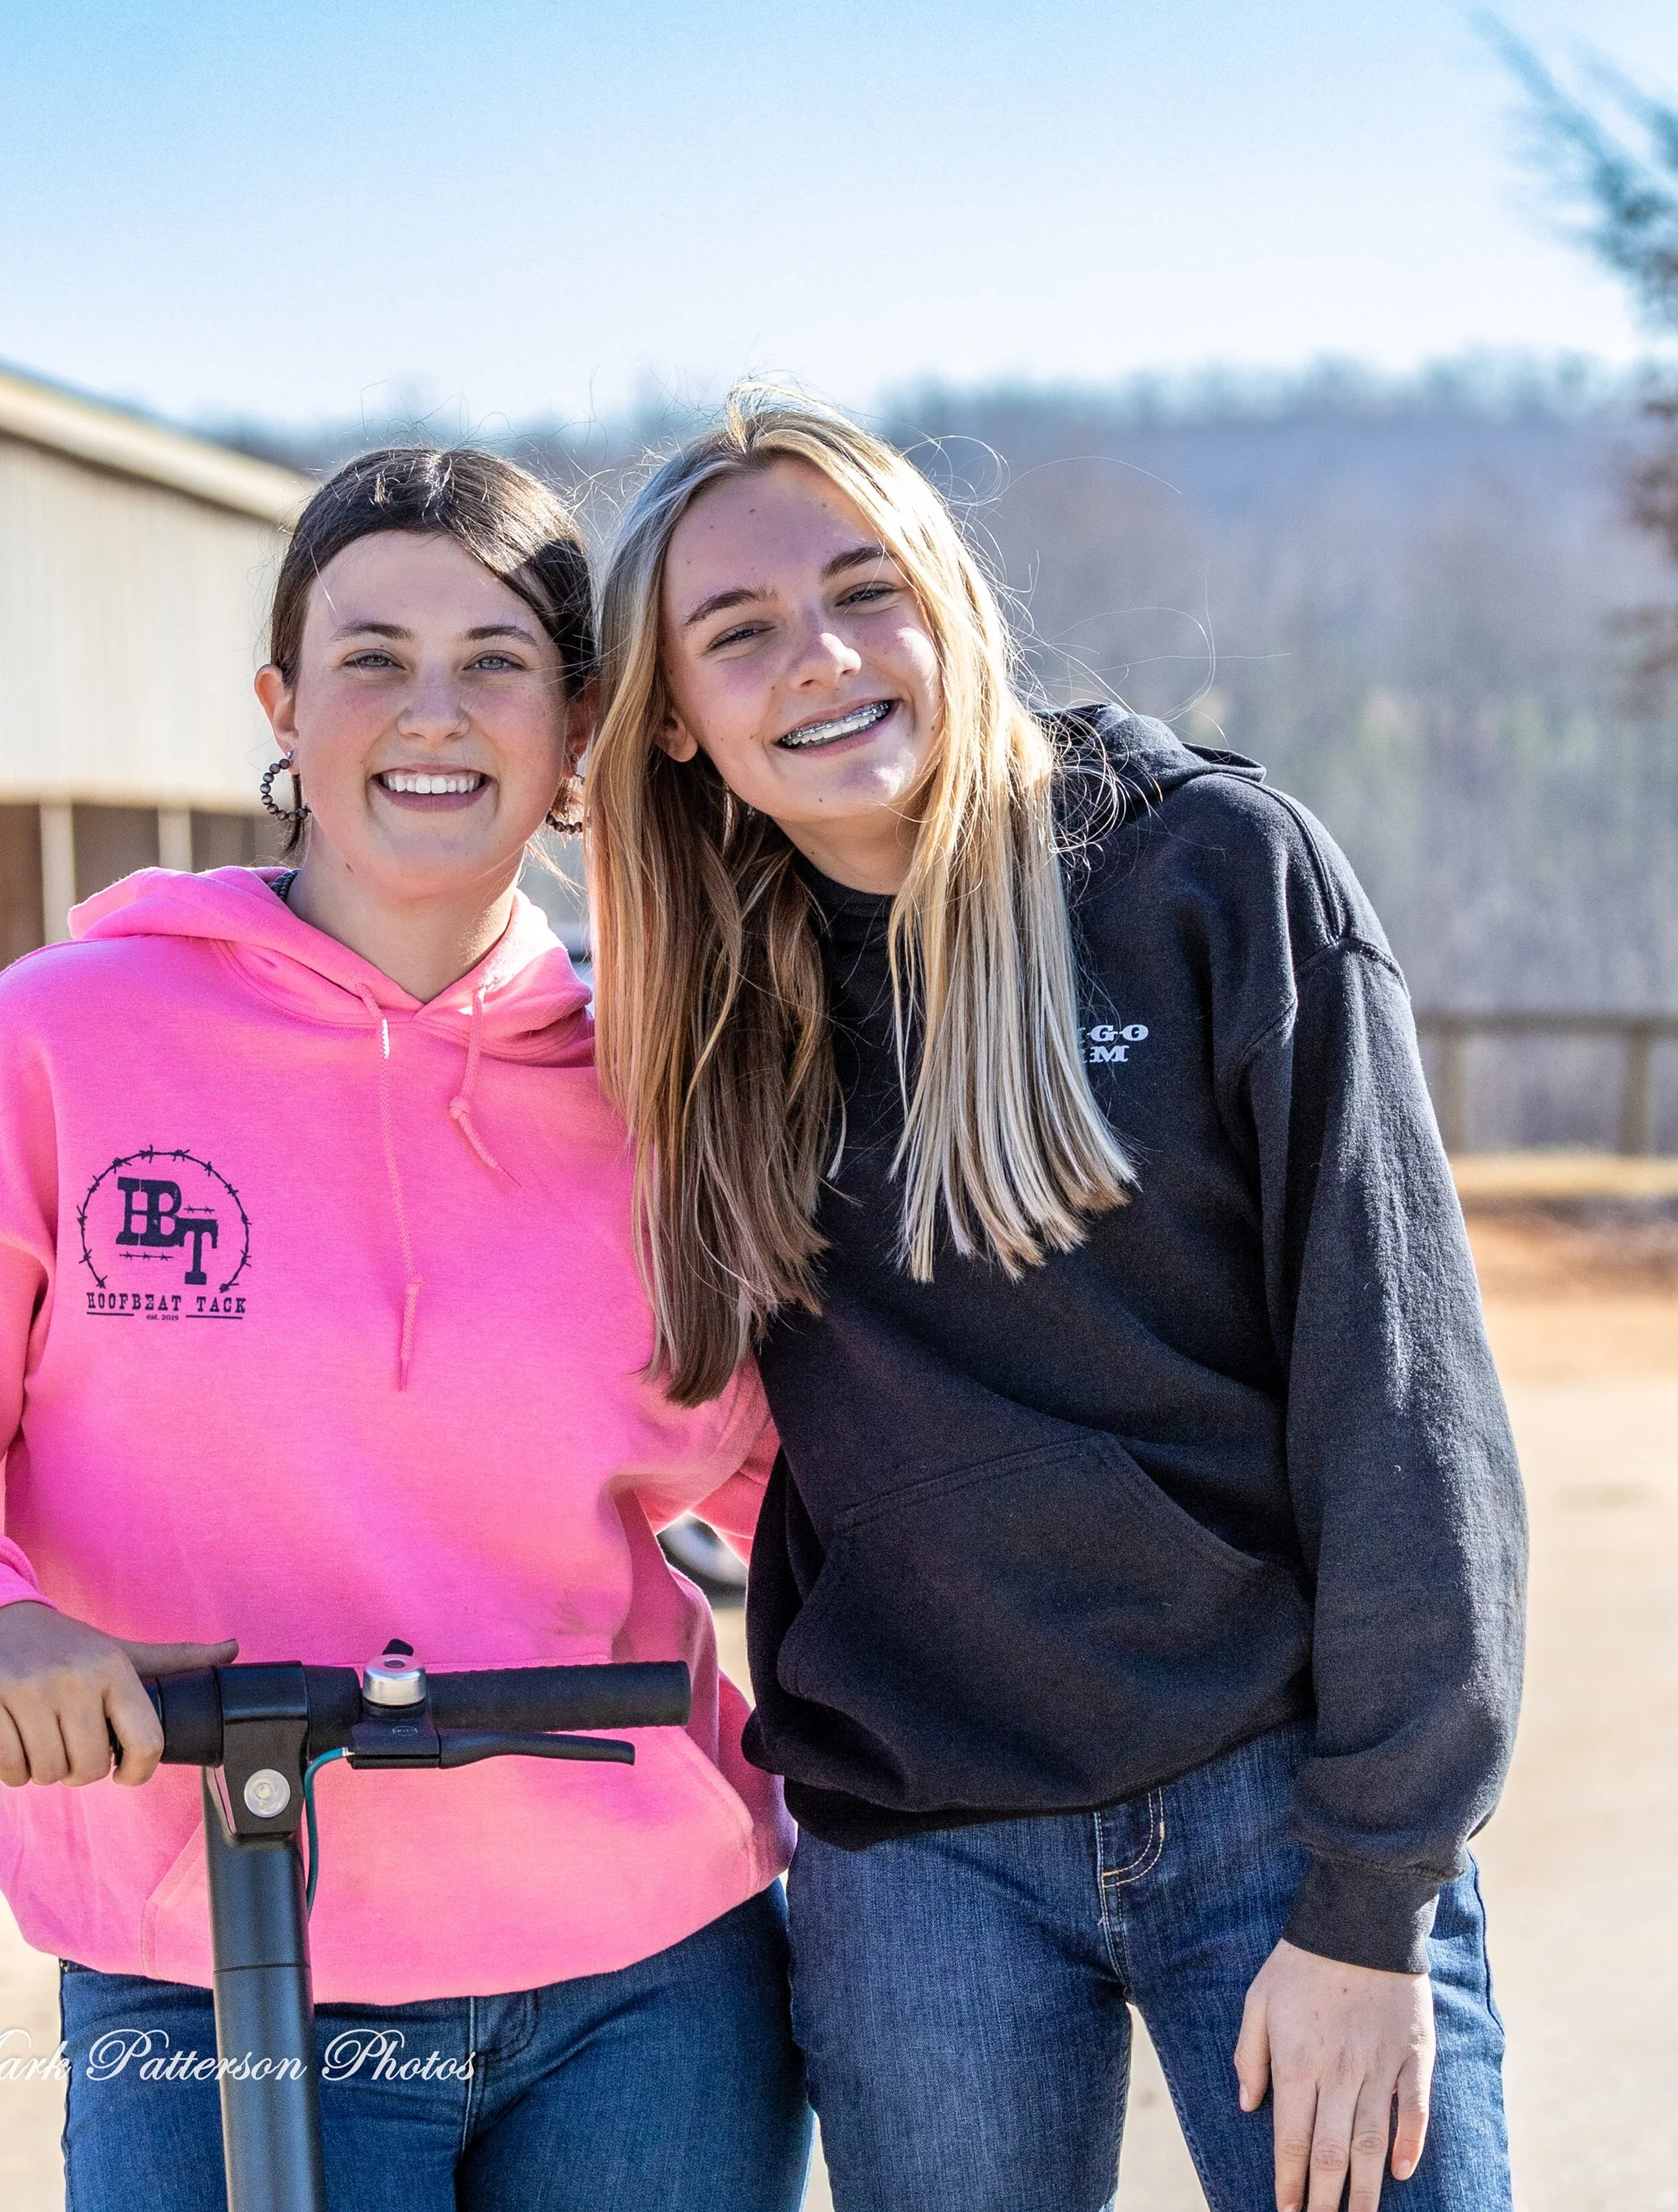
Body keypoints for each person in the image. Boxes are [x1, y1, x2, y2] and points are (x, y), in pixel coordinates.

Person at [0, 446, 810, 2212]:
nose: (430, 710)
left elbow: (812, 1490)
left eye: (496, 660)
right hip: (213, 1952)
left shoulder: (670, 1077)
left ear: (579, 730)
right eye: (370, 654)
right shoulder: (65, 1041)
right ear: (280, 708)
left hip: (656, 1979)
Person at [582, 391, 1526, 2212]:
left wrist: (1371, 1897)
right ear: (678, 725)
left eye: (866, 590)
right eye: (740, 632)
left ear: (948, 604)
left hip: (1274, 1808)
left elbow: (1399, 1407)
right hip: (923, 1856)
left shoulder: (1202, 879)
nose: (824, 658)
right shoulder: (696, 1025)